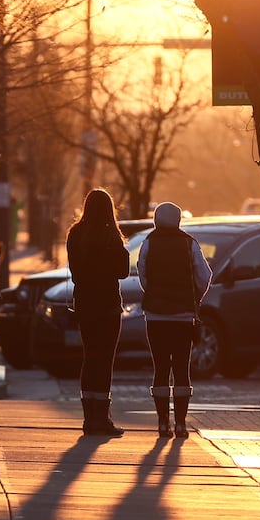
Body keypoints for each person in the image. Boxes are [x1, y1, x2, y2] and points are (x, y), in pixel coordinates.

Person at [137, 201, 211, 438]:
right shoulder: (189, 243)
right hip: (183, 316)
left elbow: (142, 272)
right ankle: (180, 424)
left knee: (160, 367)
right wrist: (195, 298)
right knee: (181, 367)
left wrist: (152, 293)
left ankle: (162, 423)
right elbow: (204, 275)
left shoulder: (148, 242)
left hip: (156, 317)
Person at [66, 188, 129, 436]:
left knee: (90, 357)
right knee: (105, 360)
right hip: (108, 304)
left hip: (84, 303)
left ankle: (88, 417)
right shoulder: (110, 236)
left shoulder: (76, 234)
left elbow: (75, 271)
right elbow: (123, 271)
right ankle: (102, 418)